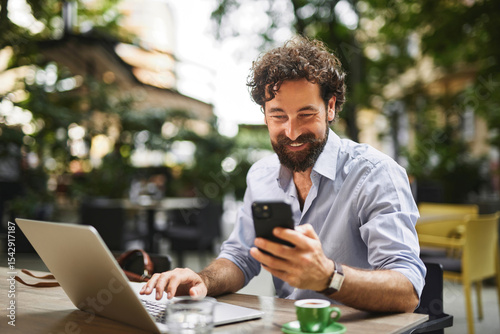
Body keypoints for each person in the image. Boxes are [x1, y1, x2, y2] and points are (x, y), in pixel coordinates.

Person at [141, 36, 425, 312]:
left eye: (306, 114)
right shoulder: (261, 176)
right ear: (264, 115)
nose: (292, 132)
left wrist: (329, 277)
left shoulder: (376, 174)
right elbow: (241, 257)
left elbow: (407, 290)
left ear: (330, 107)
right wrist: (202, 281)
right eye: (278, 116)